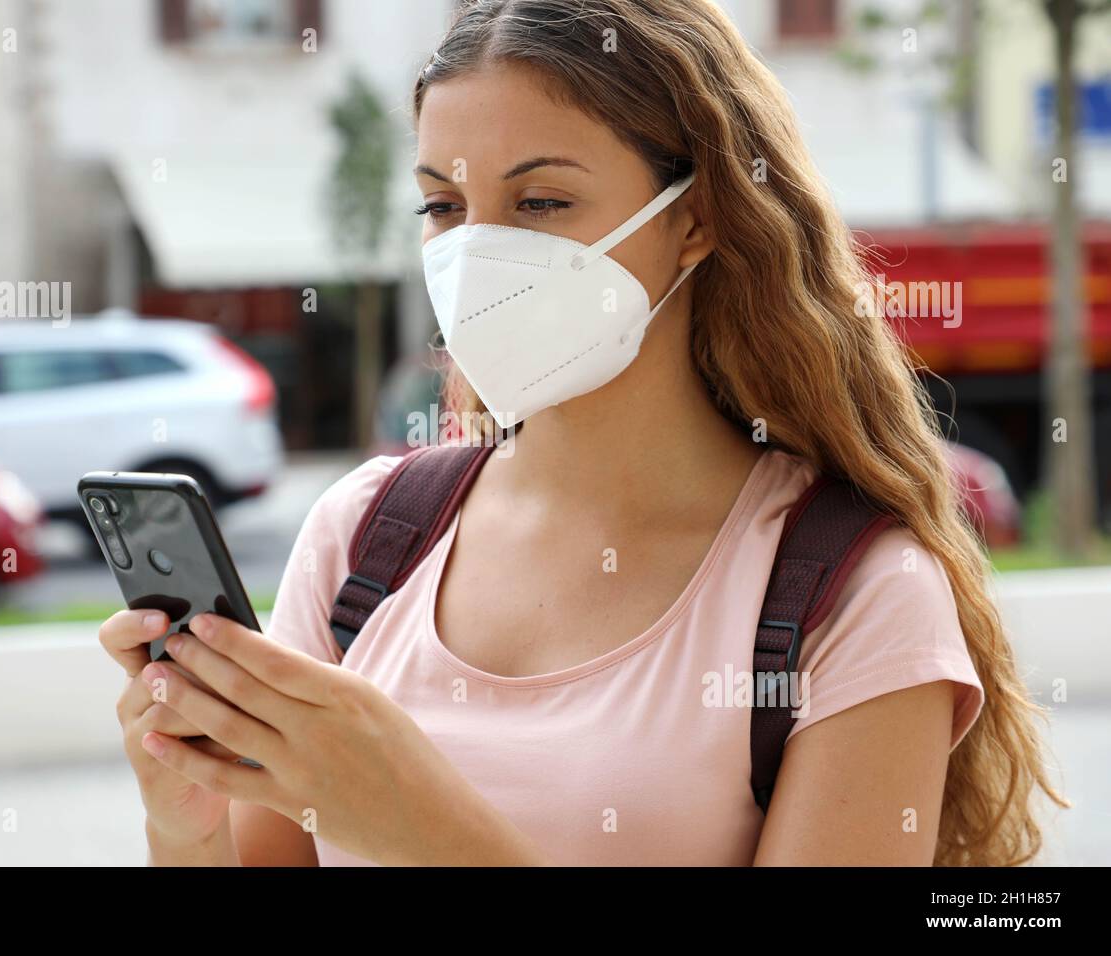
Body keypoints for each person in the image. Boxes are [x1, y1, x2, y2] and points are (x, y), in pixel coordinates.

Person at [100, 0, 1064, 866]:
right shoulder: (363, 538)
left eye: (542, 203)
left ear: (695, 219)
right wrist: (185, 833)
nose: (478, 252)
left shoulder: (856, 596)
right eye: (444, 204)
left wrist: (429, 831)